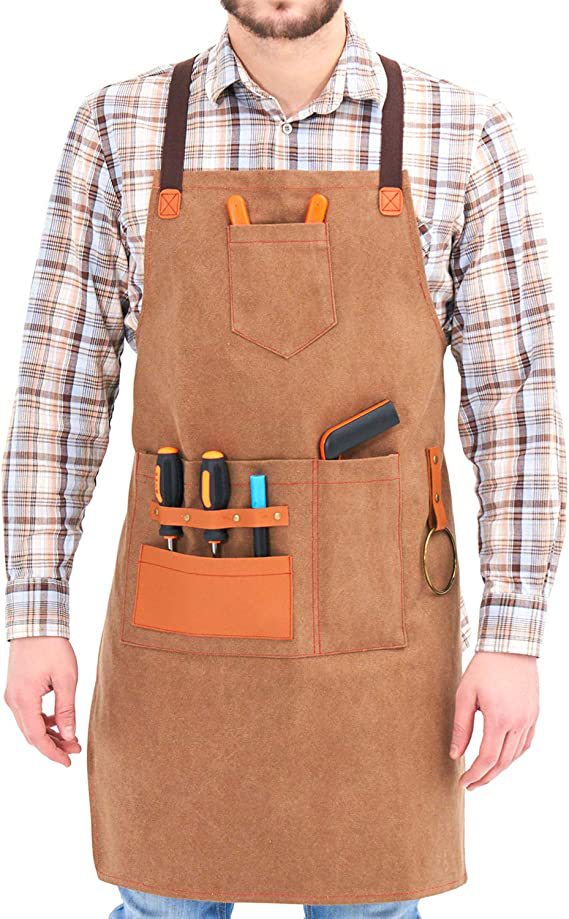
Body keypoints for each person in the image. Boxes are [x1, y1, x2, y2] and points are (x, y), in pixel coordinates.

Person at [3, 2, 566, 918]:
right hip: (185, 623)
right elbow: (57, 386)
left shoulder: (465, 130)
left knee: (372, 904)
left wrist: (511, 635)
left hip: (381, 641)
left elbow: (518, 405)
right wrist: (35, 611)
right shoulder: (117, 125)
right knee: (164, 905)